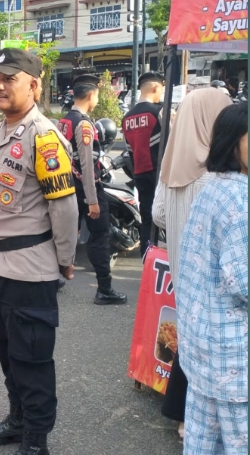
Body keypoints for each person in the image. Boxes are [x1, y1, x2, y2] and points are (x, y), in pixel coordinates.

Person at [0, 48, 78, 455]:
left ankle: (36, 441)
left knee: (32, 361)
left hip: (28, 269)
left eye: (9, 78)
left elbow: (64, 207)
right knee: (9, 355)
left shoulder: (43, 136)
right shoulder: (4, 130)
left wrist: (65, 260)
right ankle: (18, 420)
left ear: (34, 85)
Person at [152, 87, 233, 438]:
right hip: (213, 282)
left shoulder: (171, 169)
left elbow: (157, 215)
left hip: (180, 271)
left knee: (189, 340)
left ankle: (183, 417)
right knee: (212, 351)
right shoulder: (218, 179)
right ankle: (201, 423)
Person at [175, 102, 248, 455]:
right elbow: (244, 282)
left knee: (203, 443)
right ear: (233, 143)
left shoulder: (212, 188)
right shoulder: (243, 200)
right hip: (236, 358)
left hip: (202, 349)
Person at [58, 74, 126, 305]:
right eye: (97, 94)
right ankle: (104, 290)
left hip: (67, 188)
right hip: (86, 189)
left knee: (64, 234)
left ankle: (53, 279)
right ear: (91, 95)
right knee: (99, 237)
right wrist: (92, 200)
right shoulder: (84, 124)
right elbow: (87, 165)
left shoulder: (64, 121)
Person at [122, 71, 165, 257]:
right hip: (161, 174)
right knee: (168, 216)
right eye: (161, 90)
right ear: (155, 87)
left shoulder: (127, 118)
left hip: (140, 174)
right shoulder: (159, 112)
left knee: (147, 217)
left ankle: (147, 257)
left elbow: (129, 151)